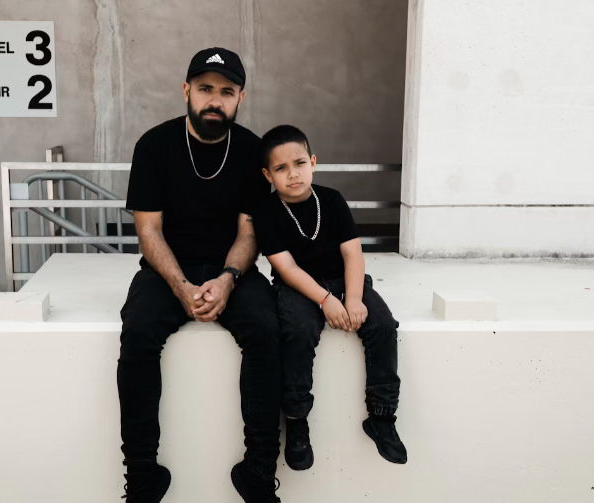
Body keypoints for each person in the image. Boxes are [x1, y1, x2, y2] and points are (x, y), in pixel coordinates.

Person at [117, 48, 282, 502]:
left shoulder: (252, 151)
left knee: (267, 331)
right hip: (168, 266)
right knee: (138, 333)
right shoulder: (154, 145)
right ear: (187, 89)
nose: (216, 100)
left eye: (226, 92)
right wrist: (181, 286)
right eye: (206, 88)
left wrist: (228, 278)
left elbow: (249, 231)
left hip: (232, 267)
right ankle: (143, 474)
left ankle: (259, 472)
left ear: (240, 98)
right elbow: (148, 231)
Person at [253, 125, 407, 471]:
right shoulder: (267, 212)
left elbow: (353, 255)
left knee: (382, 325)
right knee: (296, 332)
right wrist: (325, 300)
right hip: (298, 286)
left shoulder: (332, 200)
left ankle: (382, 416)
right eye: (281, 168)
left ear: (313, 162)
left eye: (299, 163)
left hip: (344, 279)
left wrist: (353, 298)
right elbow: (286, 267)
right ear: (268, 174)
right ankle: (295, 419)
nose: (293, 174)